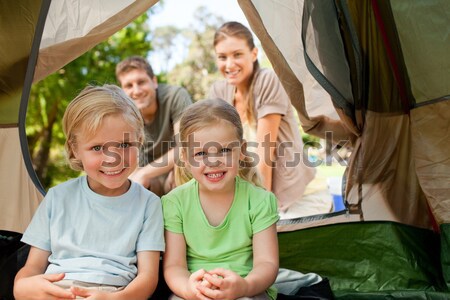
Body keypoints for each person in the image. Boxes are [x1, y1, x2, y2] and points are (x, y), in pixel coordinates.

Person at [13, 85, 165, 299]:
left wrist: (113, 299)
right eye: (97, 148)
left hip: (112, 294)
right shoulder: (57, 198)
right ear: (75, 149)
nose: (113, 158)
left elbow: (148, 278)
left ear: (139, 141)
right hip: (55, 290)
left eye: (124, 144)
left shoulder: (148, 204)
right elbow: (31, 270)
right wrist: (24, 288)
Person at [162, 99, 279, 300]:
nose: (213, 162)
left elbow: (267, 264)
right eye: (200, 153)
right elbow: (174, 266)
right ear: (185, 158)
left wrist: (244, 286)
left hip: (248, 289)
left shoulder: (260, 200)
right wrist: (190, 290)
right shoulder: (174, 203)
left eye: (224, 150)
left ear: (241, 151)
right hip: (193, 291)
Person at [209, 21, 316, 213]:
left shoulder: (268, 80)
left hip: (285, 193)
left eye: (237, 54)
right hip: (246, 190)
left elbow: (264, 154)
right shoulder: (219, 92)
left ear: (254, 53)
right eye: (222, 57)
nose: (229, 64)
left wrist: (260, 210)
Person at [116, 56, 192, 196]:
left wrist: (144, 173)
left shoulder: (174, 96)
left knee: (184, 168)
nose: (137, 91)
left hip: (176, 173)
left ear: (154, 82)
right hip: (152, 181)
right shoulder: (124, 115)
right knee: (129, 185)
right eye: (129, 86)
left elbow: (185, 146)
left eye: (141, 82)